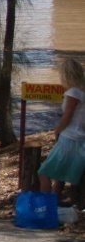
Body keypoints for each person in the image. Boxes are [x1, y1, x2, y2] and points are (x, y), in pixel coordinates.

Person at [38, 58, 85, 203]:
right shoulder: (82, 91)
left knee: (44, 172)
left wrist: (57, 130)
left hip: (69, 137)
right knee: (60, 175)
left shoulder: (73, 92)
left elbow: (67, 116)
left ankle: (46, 205)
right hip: (79, 137)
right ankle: (56, 201)